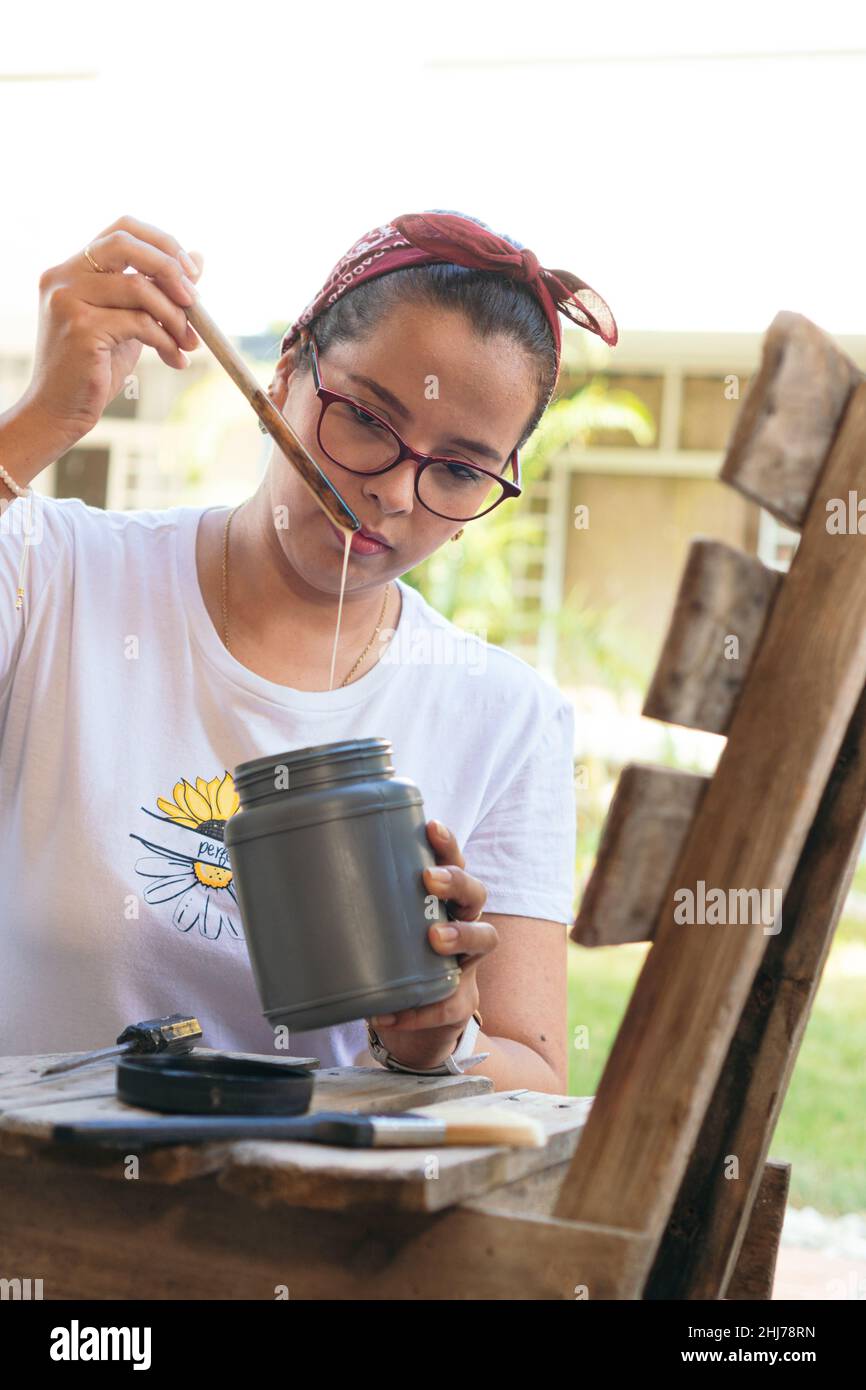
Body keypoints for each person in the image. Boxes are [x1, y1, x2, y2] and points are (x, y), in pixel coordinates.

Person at [0, 210, 617, 1090]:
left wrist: (438, 1040)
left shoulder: (502, 715)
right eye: (367, 418)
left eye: (459, 472)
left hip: (314, 1222)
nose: (393, 493)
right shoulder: (51, 574)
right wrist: (39, 421)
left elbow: (537, 1071)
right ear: (286, 371)